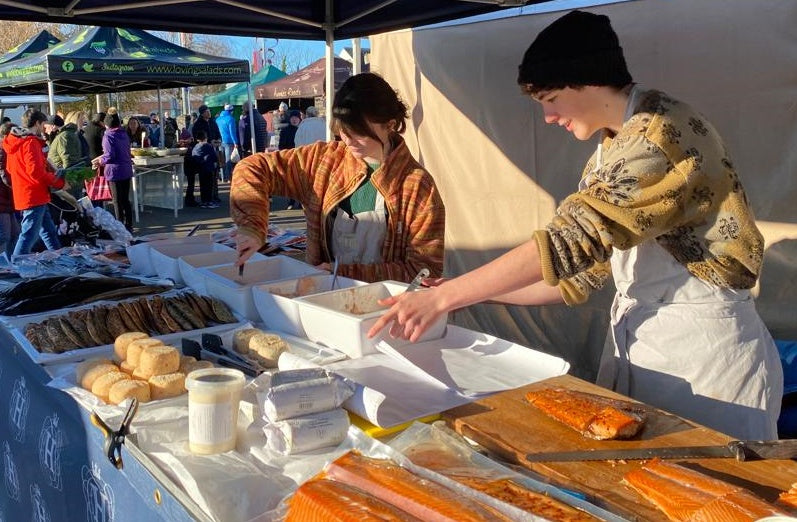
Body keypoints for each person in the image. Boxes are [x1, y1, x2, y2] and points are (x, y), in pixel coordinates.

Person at [368, 10, 782, 441]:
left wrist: (450, 295)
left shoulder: (659, 134)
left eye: (550, 100)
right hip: (649, 345)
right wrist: (460, 294)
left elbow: (571, 238)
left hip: (705, 355)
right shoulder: (611, 148)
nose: (549, 118)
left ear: (584, 81)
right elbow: (573, 275)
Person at [231, 72, 446, 283]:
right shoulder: (323, 160)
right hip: (322, 298)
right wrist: (252, 226)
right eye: (343, 131)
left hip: (386, 310)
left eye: (358, 132)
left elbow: (424, 272)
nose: (347, 140)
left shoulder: (417, 186)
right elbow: (251, 168)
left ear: (389, 125)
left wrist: (345, 273)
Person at [3, 109, 64, 256]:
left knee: (48, 231)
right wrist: (58, 182)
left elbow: (10, 169)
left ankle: (60, 257)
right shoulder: (30, 142)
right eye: (43, 124)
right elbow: (36, 172)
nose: (45, 127)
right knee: (29, 235)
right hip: (34, 195)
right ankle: (17, 266)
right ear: (37, 123)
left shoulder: (15, 141)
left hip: (28, 193)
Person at [92, 113, 133, 232]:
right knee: (125, 199)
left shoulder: (108, 136)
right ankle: (129, 224)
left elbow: (109, 155)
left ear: (106, 125)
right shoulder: (124, 134)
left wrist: (100, 161)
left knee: (116, 200)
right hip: (126, 169)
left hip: (114, 171)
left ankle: (119, 226)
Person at [0, 122, 20, 258]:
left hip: (8, 198)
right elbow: (4, 174)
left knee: (15, 233)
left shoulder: (8, 149)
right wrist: (17, 186)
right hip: (2, 198)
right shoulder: (3, 149)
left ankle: (11, 262)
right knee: (5, 235)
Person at [191, 130, 219, 209]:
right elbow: (214, 157)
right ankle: (209, 201)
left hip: (201, 168)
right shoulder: (208, 146)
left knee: (202, 185)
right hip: (208, 167)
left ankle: (204, 201)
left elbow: (194, 156)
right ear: (205, 138)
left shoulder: (196, 147)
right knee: (209, 185)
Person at [216, 103, 239, 181]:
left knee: (221, 160)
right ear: (231, 111)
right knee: (228, 160)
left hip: (220, 141)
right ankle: (228, 177)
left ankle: (222, 177)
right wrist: (235, 142)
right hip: (229, 142)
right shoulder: (230, 119)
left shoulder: (218, 119)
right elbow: (232, 132)